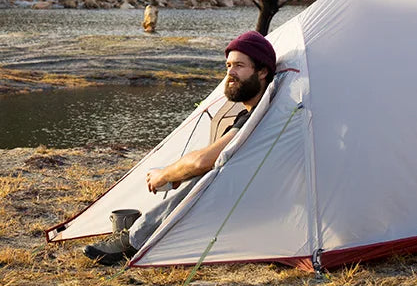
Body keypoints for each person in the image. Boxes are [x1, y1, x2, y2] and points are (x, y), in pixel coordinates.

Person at [83, 30, 277, 265]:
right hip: (243, 200)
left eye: (239, 66)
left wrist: (164, 175)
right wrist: (177, 174)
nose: (230, 74)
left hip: (254, 204)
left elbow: (203, 162)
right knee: (203, 167)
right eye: (227, 66)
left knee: (212, 171)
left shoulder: (259, 115)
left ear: (262, 71)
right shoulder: (249, 114)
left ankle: (134, 238)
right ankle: (142, 229)